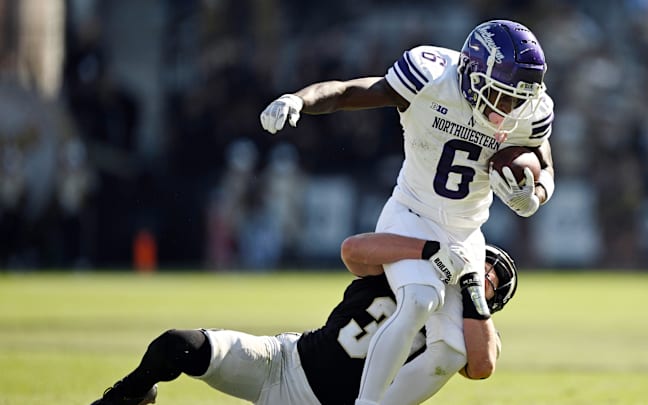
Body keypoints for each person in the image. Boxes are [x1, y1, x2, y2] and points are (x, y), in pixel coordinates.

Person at [259, 19, 554, 405]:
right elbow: (349, 91)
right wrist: (299, 99)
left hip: (466, 235)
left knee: (451, 351)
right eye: (500, 95)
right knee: (419, 299)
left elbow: (544, 164)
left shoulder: (529, 112)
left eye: (517, 98)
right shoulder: (430, 77)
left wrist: (535, 196)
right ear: (471, 74)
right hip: (411, 214)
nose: (509, 109)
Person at [88, 234, 518, 405]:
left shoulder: (460, 328)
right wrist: (425, 250)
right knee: (177, 345)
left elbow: (482, 364)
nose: (482, 276)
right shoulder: (411, 273)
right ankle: (126, 399)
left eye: (492, 281)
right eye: (484, 265)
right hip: (285, 363)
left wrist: (472, 294)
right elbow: (352, 251)